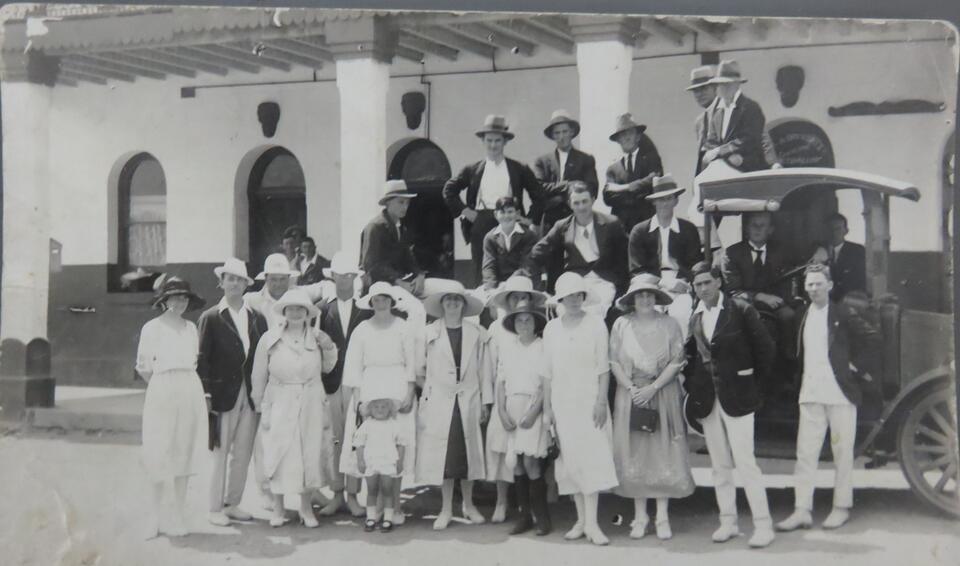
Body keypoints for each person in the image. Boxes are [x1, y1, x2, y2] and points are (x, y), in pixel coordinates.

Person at [776, 264, 880, 532]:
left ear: (830, 286)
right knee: (805, 453)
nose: (813, 289)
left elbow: (872, 338)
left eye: (818, 284)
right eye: (809, 285)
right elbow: (795, 352)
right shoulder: (802, 315)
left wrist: (855, 368)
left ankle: (841, 507)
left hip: (840, 394)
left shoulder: (843, 313)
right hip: (810, 393)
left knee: (842, 453)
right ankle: (802, 510)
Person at [684, 262, 777, 548]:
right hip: (709, 401)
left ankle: (763, 526)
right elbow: (692, 358)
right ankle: (728, 522)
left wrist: (751, 384)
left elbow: (766, 349)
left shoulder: (741, 310)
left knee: (746, 463)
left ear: (718, 282)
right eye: (697, 285)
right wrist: (694, 388)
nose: (702, 289)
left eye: (707, 283)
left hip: (739, 398)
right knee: (719, 465)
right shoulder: (695, 316)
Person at [609, 274, 694, 541]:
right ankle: (640, 516)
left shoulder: (669, 324)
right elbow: (613, 362)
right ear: (632, 299)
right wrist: (633, 389)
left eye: (649, 294)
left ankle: (662, 516)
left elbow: (676, 360)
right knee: (636, 453)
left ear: (656, 298)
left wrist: (653, 388)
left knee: (662, 451)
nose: (645, 299)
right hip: (631, 395)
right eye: (640, 295)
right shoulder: (621, 324)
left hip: (661, 392)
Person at [541, 272, 619, 546]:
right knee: (570, 463)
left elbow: (603, 369)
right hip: (563, 404)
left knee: (591, 460)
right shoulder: (551, 329)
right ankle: (580, 521)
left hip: (589, 402)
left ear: (584, 297)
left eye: (578, 295)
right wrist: (548, 411)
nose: (573, 300)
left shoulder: (596, 324)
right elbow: (546, 374)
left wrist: (600, 402)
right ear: (560, 299)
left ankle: (593, 524)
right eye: (567, 296)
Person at [250, 289, 338, 528]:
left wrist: (329, 346)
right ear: (284, 312)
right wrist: (260, 404)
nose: (296, 313)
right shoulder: (269, 338)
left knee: (310, 452)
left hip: (311, 399)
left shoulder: (318, 338)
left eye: (301, 309)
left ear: (308, 313)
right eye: (291, 308)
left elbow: (329, 368)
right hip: (280, 398)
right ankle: (278, 508)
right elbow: (258, 375)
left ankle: (306, 508)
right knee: (280, 451)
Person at [197, 258, 269, 527]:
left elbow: (263, 356)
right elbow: (202, 359)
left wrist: (262, 392)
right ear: (222, 282)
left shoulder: (257, 317)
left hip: (250, 393)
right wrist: (206, 395)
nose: (235, 283)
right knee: (219, 450)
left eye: (240, 279)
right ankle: (213, 507)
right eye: (230, 278)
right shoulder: (211, 317)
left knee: (243, 451)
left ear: (246, 284)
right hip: (221, 394)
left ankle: (232, 503)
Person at [416, 279, 493, 530]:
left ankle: (468, 505)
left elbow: (484, 371)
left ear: (463, 305)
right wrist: (430, 391)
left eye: (457, 300)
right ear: (442, 304)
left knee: (468, 457)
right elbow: (418, 369)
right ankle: (446, 508)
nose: (452, 303)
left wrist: (485, 402)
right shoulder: (429, 333)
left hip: (468, 399)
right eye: (448, 300)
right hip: (440, 401)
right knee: (446, 458)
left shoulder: (476, 334)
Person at [340, 282, 418, 526]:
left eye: (385, 298)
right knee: (372, 448)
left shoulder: (403, 328)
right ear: (370, 302)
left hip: (397, 386)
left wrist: (409, 393)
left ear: (392, 301)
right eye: (376, 299)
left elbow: (412, 364)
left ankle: (394, 506)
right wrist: (358, 399)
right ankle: (374, 505)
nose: (381, 302)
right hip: (370, 387)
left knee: (395, 448)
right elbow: (352, 367)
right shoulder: (362, 329)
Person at [135, 276, 208, 537]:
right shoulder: (151, 328)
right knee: (158, 450)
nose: (180, 302)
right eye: (175, 297)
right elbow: (144, 368)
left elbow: (194, 361)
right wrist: (163, 385)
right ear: (164, 300)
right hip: (162, 389)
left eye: (184, 297)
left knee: (183, 451)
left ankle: (176, 515)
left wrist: (182, 383)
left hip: (189, 388)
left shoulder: (191, 328)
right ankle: (154, 517)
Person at [442, 114, 544, 286]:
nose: (493, 145)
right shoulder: (473, 169)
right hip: (482, 222)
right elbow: (449, 189)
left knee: (516, 269)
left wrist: (529, 219)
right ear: (483, 141)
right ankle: (485, 312)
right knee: (483, 273)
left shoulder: (518, 168)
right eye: (489, 140)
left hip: (511, 220)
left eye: (497, 140)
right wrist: (467, 212)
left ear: (505, 142)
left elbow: (539, 195)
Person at [484, 275, 550, 523]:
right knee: (510, 458)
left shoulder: (542, 343)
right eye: (515, 298)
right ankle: (511, 507)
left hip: (531, 405)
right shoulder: (500, 335)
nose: (520, 301)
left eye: (525, 298)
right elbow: (496, 374)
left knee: (531, 461)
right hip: (508, 404)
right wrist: (498, 408)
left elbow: (545, 380)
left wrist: (535, 410)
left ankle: (538, 514)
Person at [314, 251, 372, 517]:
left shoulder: (366, 309)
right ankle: (337, 494)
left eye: (350, 275)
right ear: (333, 276)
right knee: (336, 440)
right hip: (333, 383)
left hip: (357, 384)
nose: (345, 280)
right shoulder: (323, 308)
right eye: (341, 275)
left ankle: (353, 495)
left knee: (356, 438)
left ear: (354, 278)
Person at [523, 182, 628, 317]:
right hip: (574, 281)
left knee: (595, 312)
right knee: (563, 312)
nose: (581, 207)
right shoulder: (562, 226)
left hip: (603, 281)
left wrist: (625, 287)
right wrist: (537, 287)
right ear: (569, 204)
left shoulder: (611, 223)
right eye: (576, 203)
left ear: (593, 200)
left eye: (585, 201)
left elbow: (626, 256)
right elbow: (535, 255)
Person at [627, 174, 702, 339]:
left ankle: (678, 357)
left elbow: (694, 263)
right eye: (660, 199)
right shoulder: (640, 231)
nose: (664, 203)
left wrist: (682, 283)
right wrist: (662, 283)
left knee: (680, 314)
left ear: (676, 200)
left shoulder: (688, 229)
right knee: (650, 317)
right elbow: (636, 271)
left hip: (680, 284)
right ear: (653, 202)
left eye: (668, 198)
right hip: (650, 285)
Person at [533, 109, 599, 286]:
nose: (561, 136)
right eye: (557, 133)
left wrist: (559, 196)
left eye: (564, 131)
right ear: (552, 136)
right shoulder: (542, 161)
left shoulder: (585, 159)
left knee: (578, 265)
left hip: (578, 220)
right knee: (553, 269)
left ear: (572, 132)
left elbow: (592, 188)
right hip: (551, 222)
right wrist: (568, 185)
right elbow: (538, 188)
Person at [721, 211, 797, 361]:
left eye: (762, 225)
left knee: (789, 316)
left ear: (770, 230)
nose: (757, 229)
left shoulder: (781, 251)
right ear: (746, 229)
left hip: (775, 302)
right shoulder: (732, 253)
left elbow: (791, 275)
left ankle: (787, 362)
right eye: (753, 225)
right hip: (745, 303)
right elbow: (733, 290)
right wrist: (759, 296)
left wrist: (819, 248)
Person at [700, 60, 772, 173]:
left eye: (727, 84)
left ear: (737, 84)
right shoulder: (716, 111)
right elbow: (711, 140)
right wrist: (712, 153)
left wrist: (720, 152)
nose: (723, 88)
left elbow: (749, 140)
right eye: (720, 84)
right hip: (723, 169)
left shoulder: (750, 107)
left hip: (749, 170)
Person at [359, 180, 425, 296]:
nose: (405, 207)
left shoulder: (400, 228)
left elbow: (408, 258)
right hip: (376, 290)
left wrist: (420, 275)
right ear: (388, 203)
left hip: (397, 286)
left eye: (407, 203)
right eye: (401, 202)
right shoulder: (375, 227)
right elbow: (371, 265)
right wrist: (397, 281)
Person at [602, 113, 664, 234]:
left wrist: (623, 188)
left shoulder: (650, 160)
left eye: (630, 133)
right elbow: (608, 198)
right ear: (618, 140)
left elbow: (654, 180)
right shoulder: (612, 169)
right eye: (622, 135)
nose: (627, 137)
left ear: (638, 136)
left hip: (647, 224)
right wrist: (639, 191)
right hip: (622, 227)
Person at [355, 395, 408, 533]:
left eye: (384, 407)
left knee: (387, 490)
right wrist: (360, 460)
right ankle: (371, 517)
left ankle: (388, 518)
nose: (380, 410)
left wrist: (400, 461)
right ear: (370, 409)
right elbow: (359, 443)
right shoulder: (367, 425)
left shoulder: (394, 424)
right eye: (376, 407)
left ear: (389, 409)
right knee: (371, 490)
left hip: (387, 461)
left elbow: (401, 444)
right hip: (371, 461)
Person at [481, 196, 540, 290]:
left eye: (510, 212)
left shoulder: (529, 236)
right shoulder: (490, 238)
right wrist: (491, 289)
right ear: (496, 214)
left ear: (517, 214)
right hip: (499, 286)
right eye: (502, 212)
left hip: (523, 283)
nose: (506, 216)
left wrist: (508, 285)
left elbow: (526, 266)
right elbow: (489, 267)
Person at [810, 213, 867, 301]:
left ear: (846, 231)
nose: (834, 233)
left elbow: (858, 280)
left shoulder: (857, 251)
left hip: (849, 300)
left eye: (838, 229)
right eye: (830, 229)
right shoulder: (817, 250)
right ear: (825, 231)